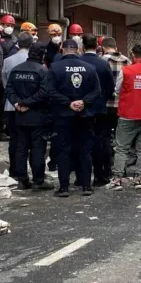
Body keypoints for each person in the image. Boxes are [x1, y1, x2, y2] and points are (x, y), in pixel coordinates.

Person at [46, 39, 99, 196]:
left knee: (63, 150)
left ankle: (64, 187)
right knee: (85, 150)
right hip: (85, 115)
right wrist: (83, 102)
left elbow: (50, 91)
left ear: (62, 49)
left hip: (63, 116)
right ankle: (86, 186)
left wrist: (68, 103)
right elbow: (97, 91)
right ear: (78, 50)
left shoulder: (55, 67)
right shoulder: (89, 68)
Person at [107, 43, 141, 191]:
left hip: (127, 115)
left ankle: (117, 179)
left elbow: (117, 89)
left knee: (122, 148)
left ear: (132, 55)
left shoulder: (126, 70)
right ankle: (138, 179)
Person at [5, 42, 53, 191]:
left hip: (19, 115)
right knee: (38, 149)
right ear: (42, 55)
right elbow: (44, 93)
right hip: (37, 116)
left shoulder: (16, 70)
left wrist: (17, 103)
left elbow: (9, 89)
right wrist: (27, 103)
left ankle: (22, 179)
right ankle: (38, 180)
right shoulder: (43, 71)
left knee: (21, 148)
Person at [79, 34, 116, 187]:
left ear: (82, 45)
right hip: (100, 108)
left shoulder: (78, 62)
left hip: (80, 109)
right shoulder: (102, 64)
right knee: (100, 142)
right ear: (97, 46)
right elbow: (110, 87)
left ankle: (81, 177)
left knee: (81, 142)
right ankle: (100, 175)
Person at [2, 33, 34, 180]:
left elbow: (5, 83)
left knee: (14, 139)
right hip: (31, 106)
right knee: (30, 140)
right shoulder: (34, 61)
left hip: (11, 105)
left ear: (17, 44)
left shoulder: (8, 61)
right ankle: (31, 170)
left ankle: (15, 169)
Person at [101, 37, 131, 140]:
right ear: (116, 47)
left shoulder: (102, 60)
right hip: (122, 104)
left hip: (106, 103)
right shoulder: (127, 61)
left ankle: (107, 154)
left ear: (103, 48)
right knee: (120, 134)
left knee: (105, 133)